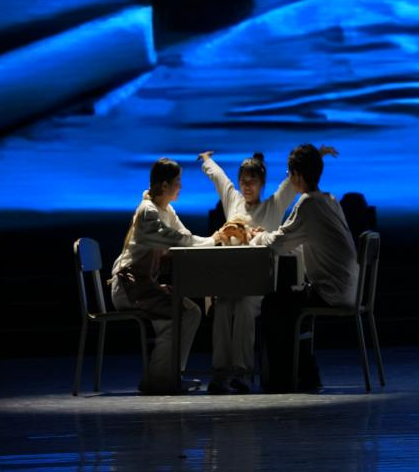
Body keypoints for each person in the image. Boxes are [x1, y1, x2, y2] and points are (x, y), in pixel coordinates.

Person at [250, 143, 358, 392]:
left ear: (298, 175)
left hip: (332, 292)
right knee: (287, 301)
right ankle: (306, 373)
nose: (289, 178)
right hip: (349, 288)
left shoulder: (308, 204)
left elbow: (277, 243)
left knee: (273, 305)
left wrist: (257, 236)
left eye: (289, 173)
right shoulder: (329, 200)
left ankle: (282, 379)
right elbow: (299, 240)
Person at [110, 157, 214, 394]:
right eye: (178, 182)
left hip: (144, 286)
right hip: (129, 288)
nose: (181, 187)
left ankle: (171, 376)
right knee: (182, 314)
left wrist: (214, 240)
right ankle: (159, 379)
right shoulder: (148, 212)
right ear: (165, 185)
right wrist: (214, 239)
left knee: (190, 311)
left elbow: (185, 235)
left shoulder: (167, 210)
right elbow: (176, 239)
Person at [198, 150, 297, 394]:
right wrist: (207, 160)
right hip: (231, 280)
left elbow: (290, 185)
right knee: (222, 307)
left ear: (262, 183)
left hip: (258, 283)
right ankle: (220, 372)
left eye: (252, 181)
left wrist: (315, 157)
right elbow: (220, 179)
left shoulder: (272, 206)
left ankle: (241, 372)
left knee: (243, 307)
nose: (247, 186)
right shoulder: (234, 201)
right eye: (243, 181)